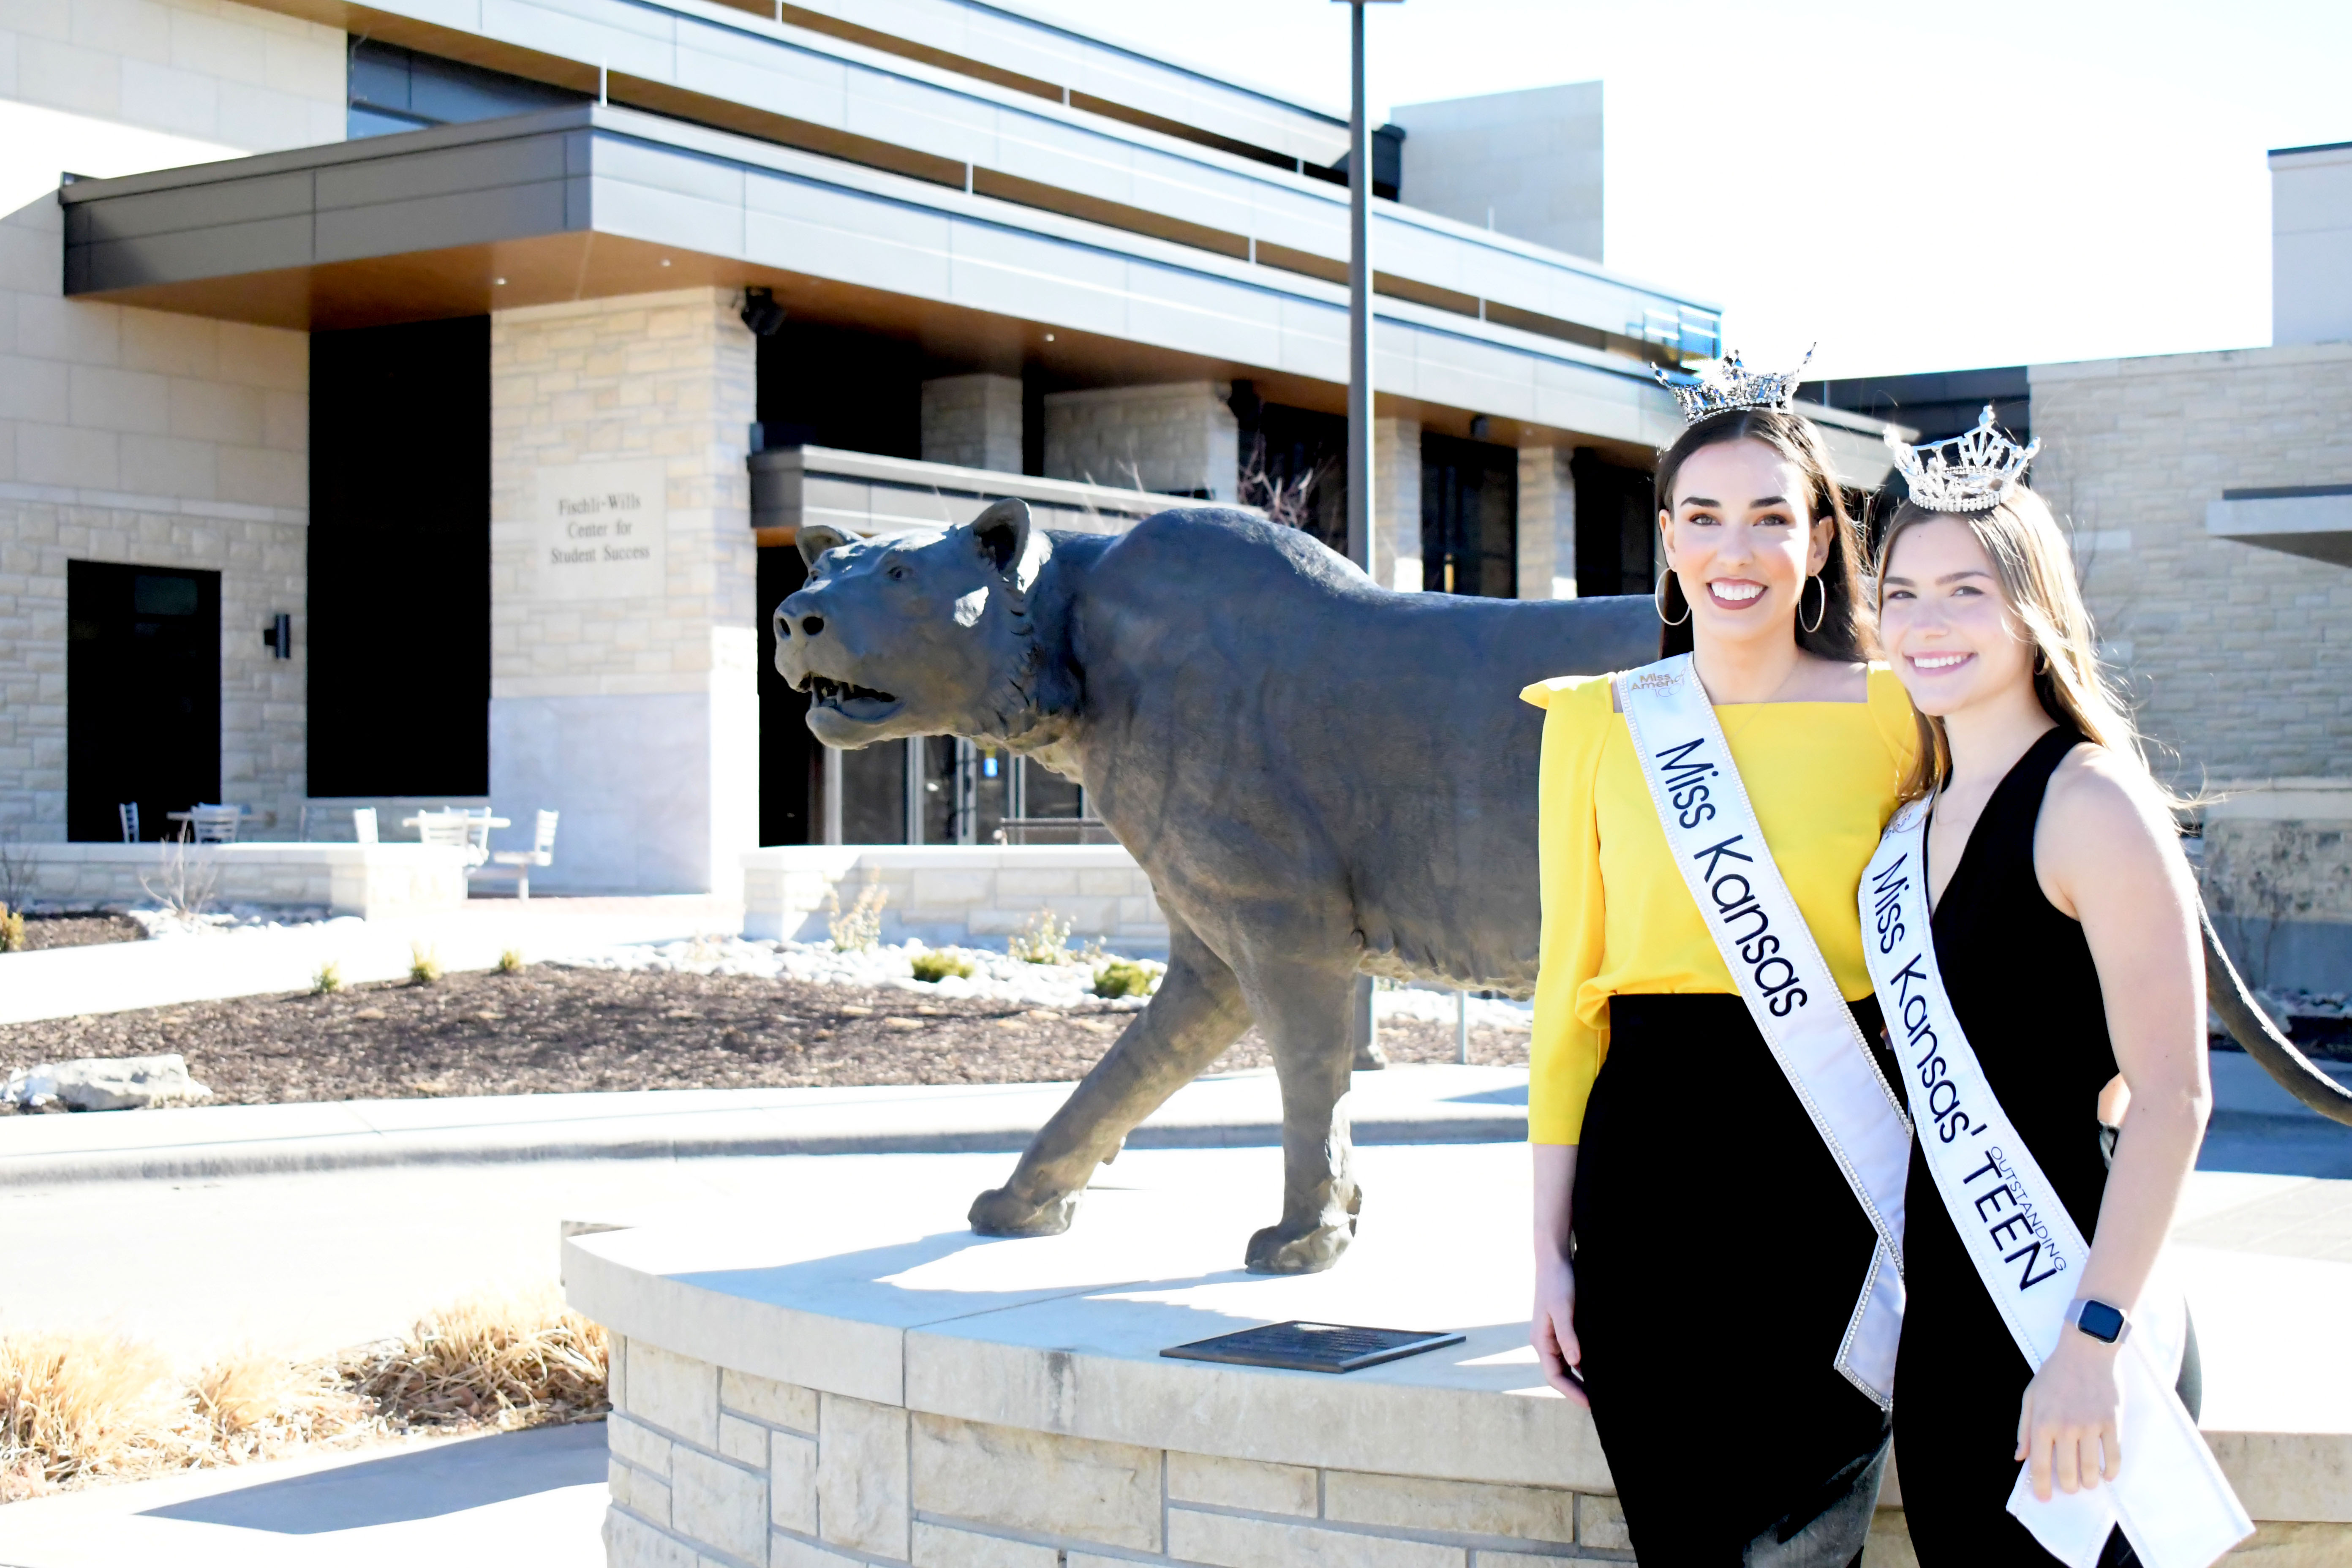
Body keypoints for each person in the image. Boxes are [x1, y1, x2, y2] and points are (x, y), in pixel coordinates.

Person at [1523, 355, 1919, 1564]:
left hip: (1836, 1166)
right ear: (1667, 541)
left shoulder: (1906, 715)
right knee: (1686, 1544)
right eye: (1703, 517)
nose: (1733, 550)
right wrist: (1544, 1247)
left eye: (1768, 518)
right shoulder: (1599, 722)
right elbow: (1566, 1001)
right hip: (1649, 1181)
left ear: (1815, 543)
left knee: (1809, 1542)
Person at [1870, 411, 2232, 1566]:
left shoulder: (2090, 804)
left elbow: (2173, 1097)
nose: (1926, 624)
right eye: (1903, 592)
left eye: (1965, 591)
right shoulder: (1907, 831)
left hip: (2072, 1312)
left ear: (2034, 609)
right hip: (1949, 1335)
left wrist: (2091, 1346)